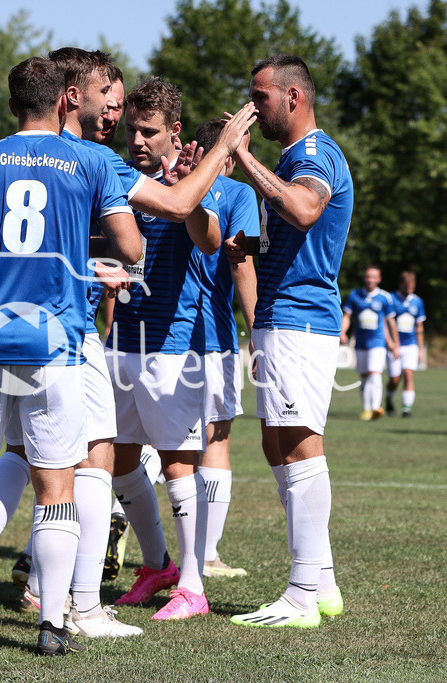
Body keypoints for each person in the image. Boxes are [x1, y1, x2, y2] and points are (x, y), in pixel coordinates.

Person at [0, 56, 142, 656]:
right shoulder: (88, 162)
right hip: (58, 338)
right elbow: (130, 243)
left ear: (13, 101)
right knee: (56, 483)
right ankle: (51, 624)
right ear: (65, 101)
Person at [225, 54, 353, 629]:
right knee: (277, 446)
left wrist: (241, 156)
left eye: (262, 97)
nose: (253, 107)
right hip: (281, 319)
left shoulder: (314, 154)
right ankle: (322, 585)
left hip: (301, 321)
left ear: (294, 97)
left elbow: (304, 209)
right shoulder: (291, 158)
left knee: (301, 445)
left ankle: (302, 595)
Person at [105, 76, 221, 621]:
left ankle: (194, 588)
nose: (137, 140)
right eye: (132, 129)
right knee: (121, 458)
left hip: (173, 348)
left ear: (175, 131)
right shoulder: (128, 181)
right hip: (123, 341)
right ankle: (158, 566)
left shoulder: (197, 180)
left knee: (177, 463)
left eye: (149, 131)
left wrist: (187, 193)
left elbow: (211, 239)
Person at [192, 118, 258, 579]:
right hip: (211, 336)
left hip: (147, 338)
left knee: (144, 444)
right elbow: (241, 263)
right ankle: (207, 556)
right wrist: (259, 331)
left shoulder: (165, 187)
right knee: (215, 436)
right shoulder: (239, 195)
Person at [340, 266, 398, 421]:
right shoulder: (355, 295)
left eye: (373, 277)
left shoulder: (384, 297)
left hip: (378, 342)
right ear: (364, 278)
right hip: (360, 343)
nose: (370, 280)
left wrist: (393, 343)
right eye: (367, 276)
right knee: (364, 376)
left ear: (379, 279)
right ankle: (366, 408)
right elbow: (347, 316)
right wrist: (343, 332)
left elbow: (391, 322)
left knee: (375, 373)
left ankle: (376, 408)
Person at [385, 271, 426, 417]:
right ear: (401, 284)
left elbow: (419, 327)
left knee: (408, 374)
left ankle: (406, 409)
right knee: (395, 379)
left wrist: (420, 350)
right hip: (395, 346)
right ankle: (389, 399)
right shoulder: (391, 299)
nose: (409, 290)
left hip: (411, 345)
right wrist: (391, 343)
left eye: (412, 287)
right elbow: (386, 323)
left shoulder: (417, 302)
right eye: (406, 287)